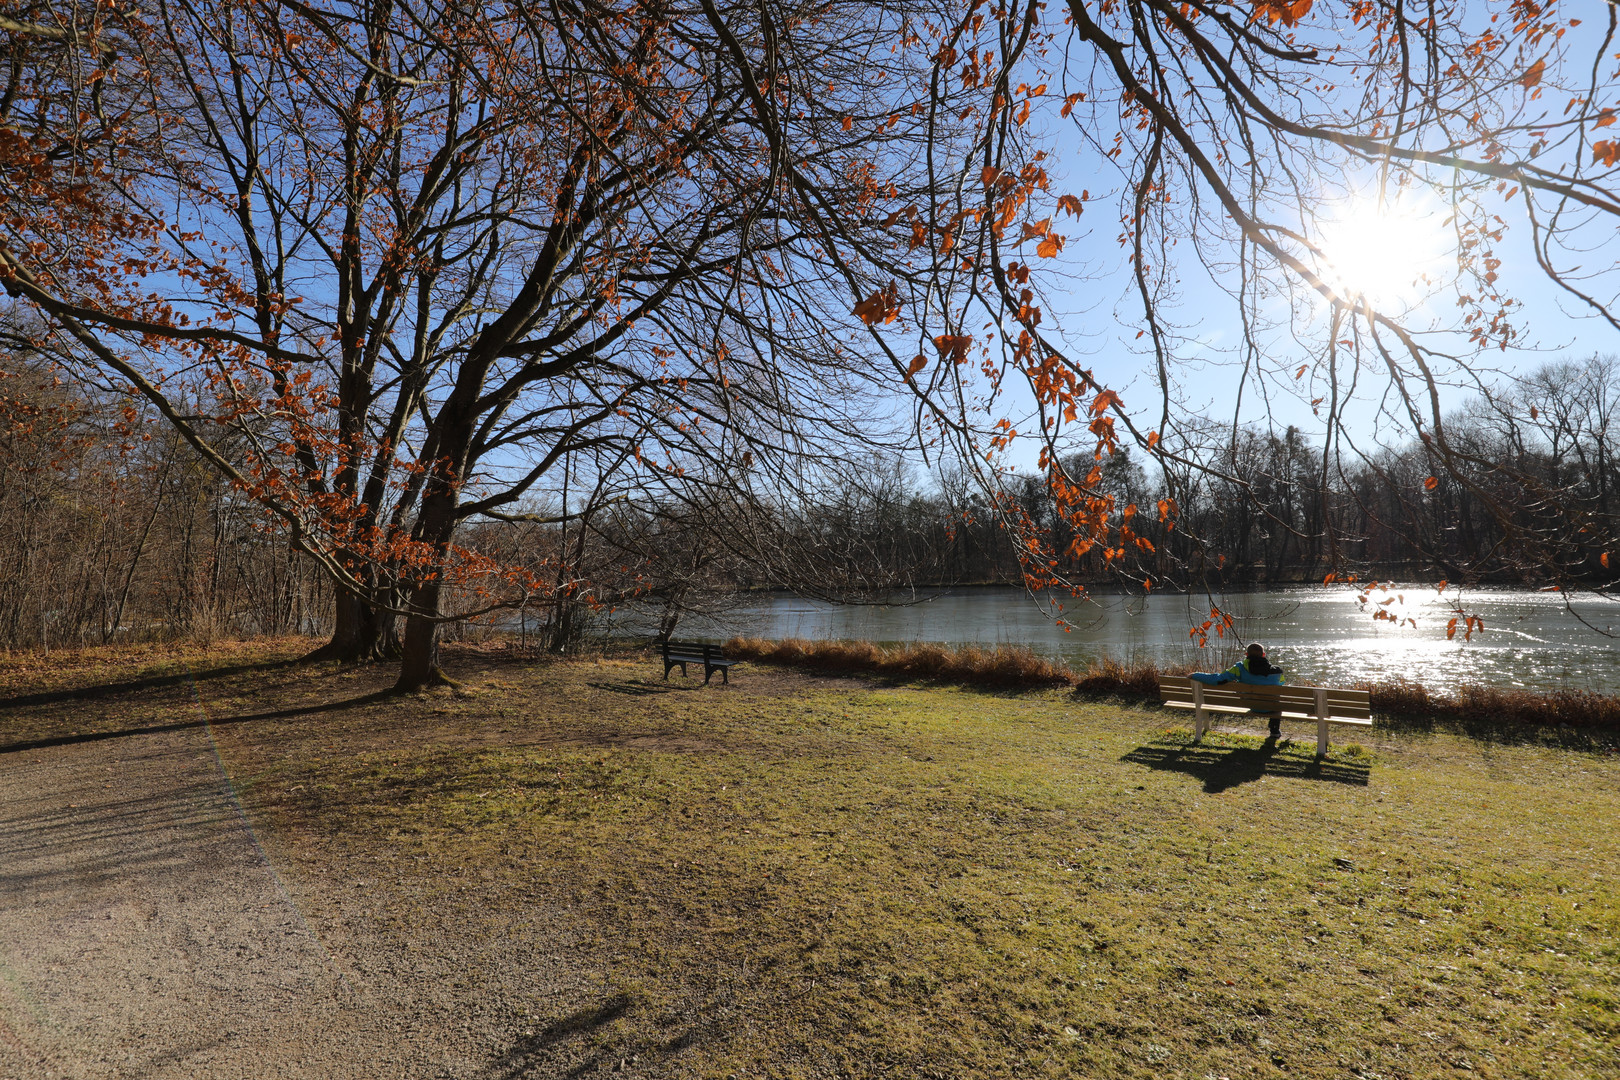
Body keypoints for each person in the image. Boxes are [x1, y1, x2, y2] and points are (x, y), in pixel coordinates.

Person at [1190, 642, 1288, 738]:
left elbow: (1218, 679)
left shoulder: (1239, 668)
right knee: (1276, 699)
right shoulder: (1277, 671)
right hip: (1271, 706)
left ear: (1246, 654)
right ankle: (1274, 730)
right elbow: (1280, 684)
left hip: (1251, 704)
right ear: (1263, 655)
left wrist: (1195, 675)